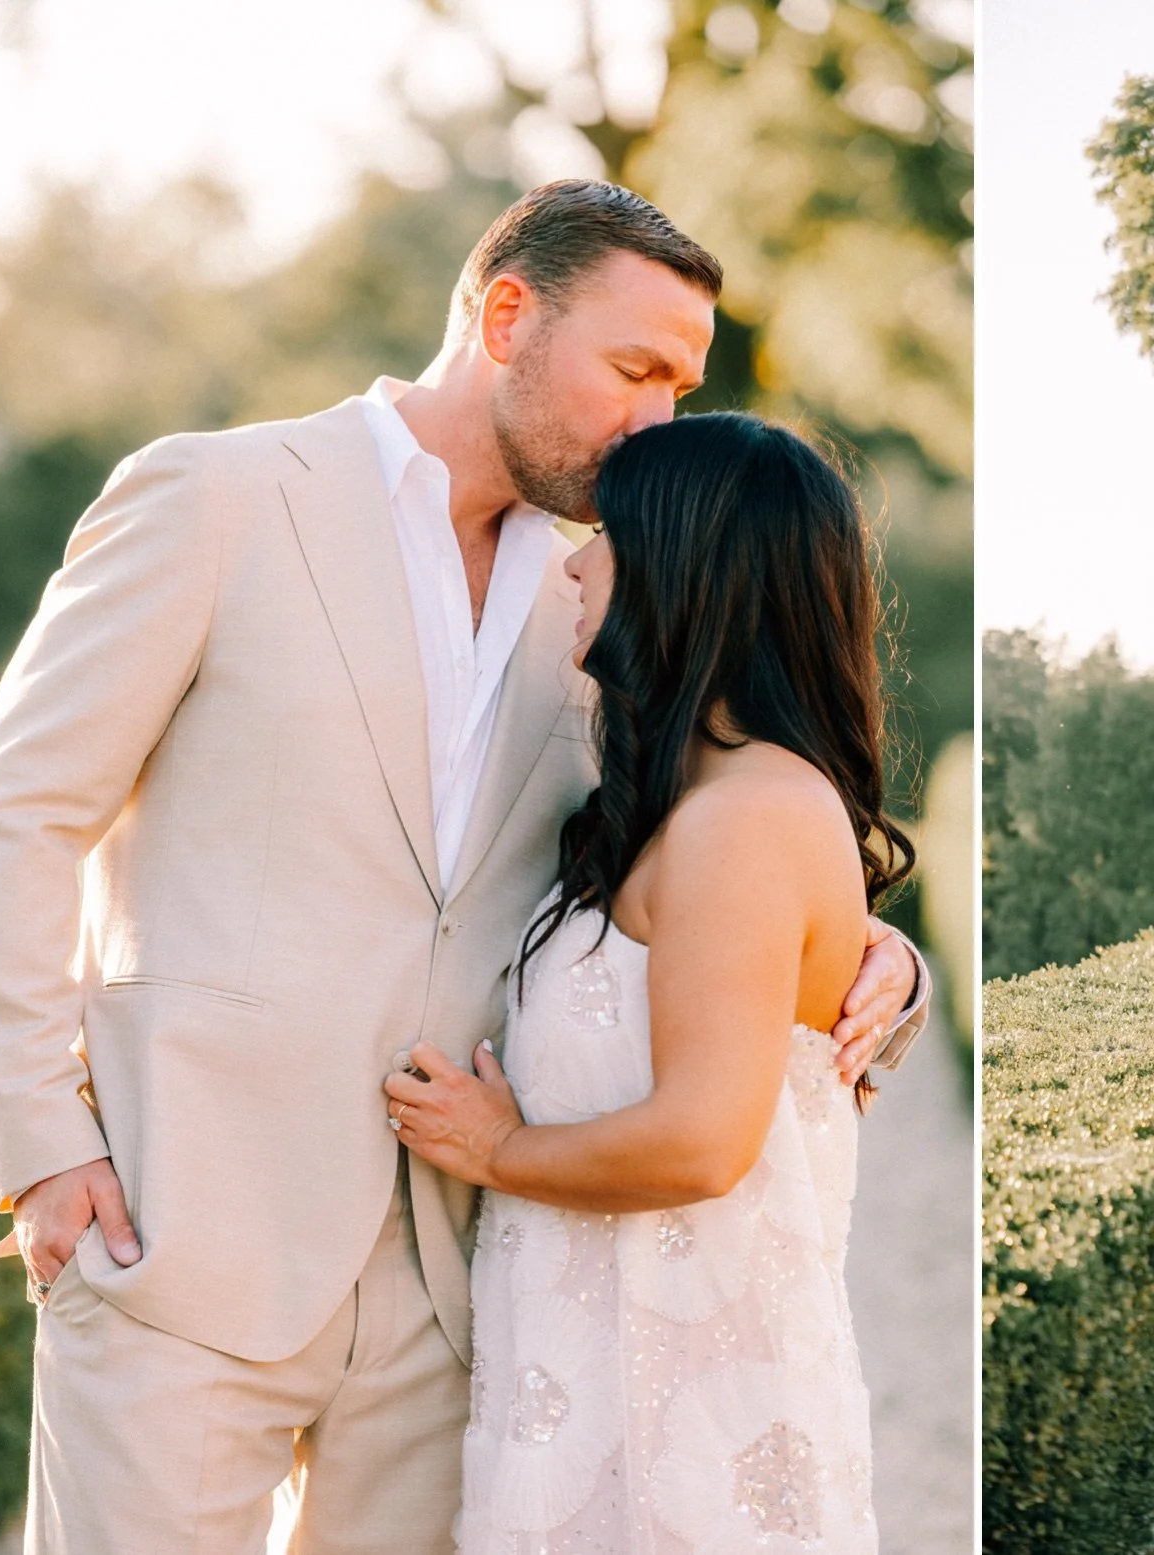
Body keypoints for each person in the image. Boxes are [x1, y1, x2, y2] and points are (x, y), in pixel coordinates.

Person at [0, 180, 927, 1554]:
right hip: (180, 1232)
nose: (657, 420)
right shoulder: (216, 497)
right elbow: (14, 814)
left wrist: (879, 952)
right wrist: (43, 1148)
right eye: (635, 369)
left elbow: (710, 842)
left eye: (681, 385)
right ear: (507, 314)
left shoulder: (607, 600)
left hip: (464, 1285)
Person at [385, 412, 897, 1552]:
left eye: (605, 534)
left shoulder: (750, 814)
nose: (572, 561)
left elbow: (702, 1140)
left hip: (694, 1439)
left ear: (684, 565)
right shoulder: (693, 804)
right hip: (605, 1394)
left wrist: (494, 1149)